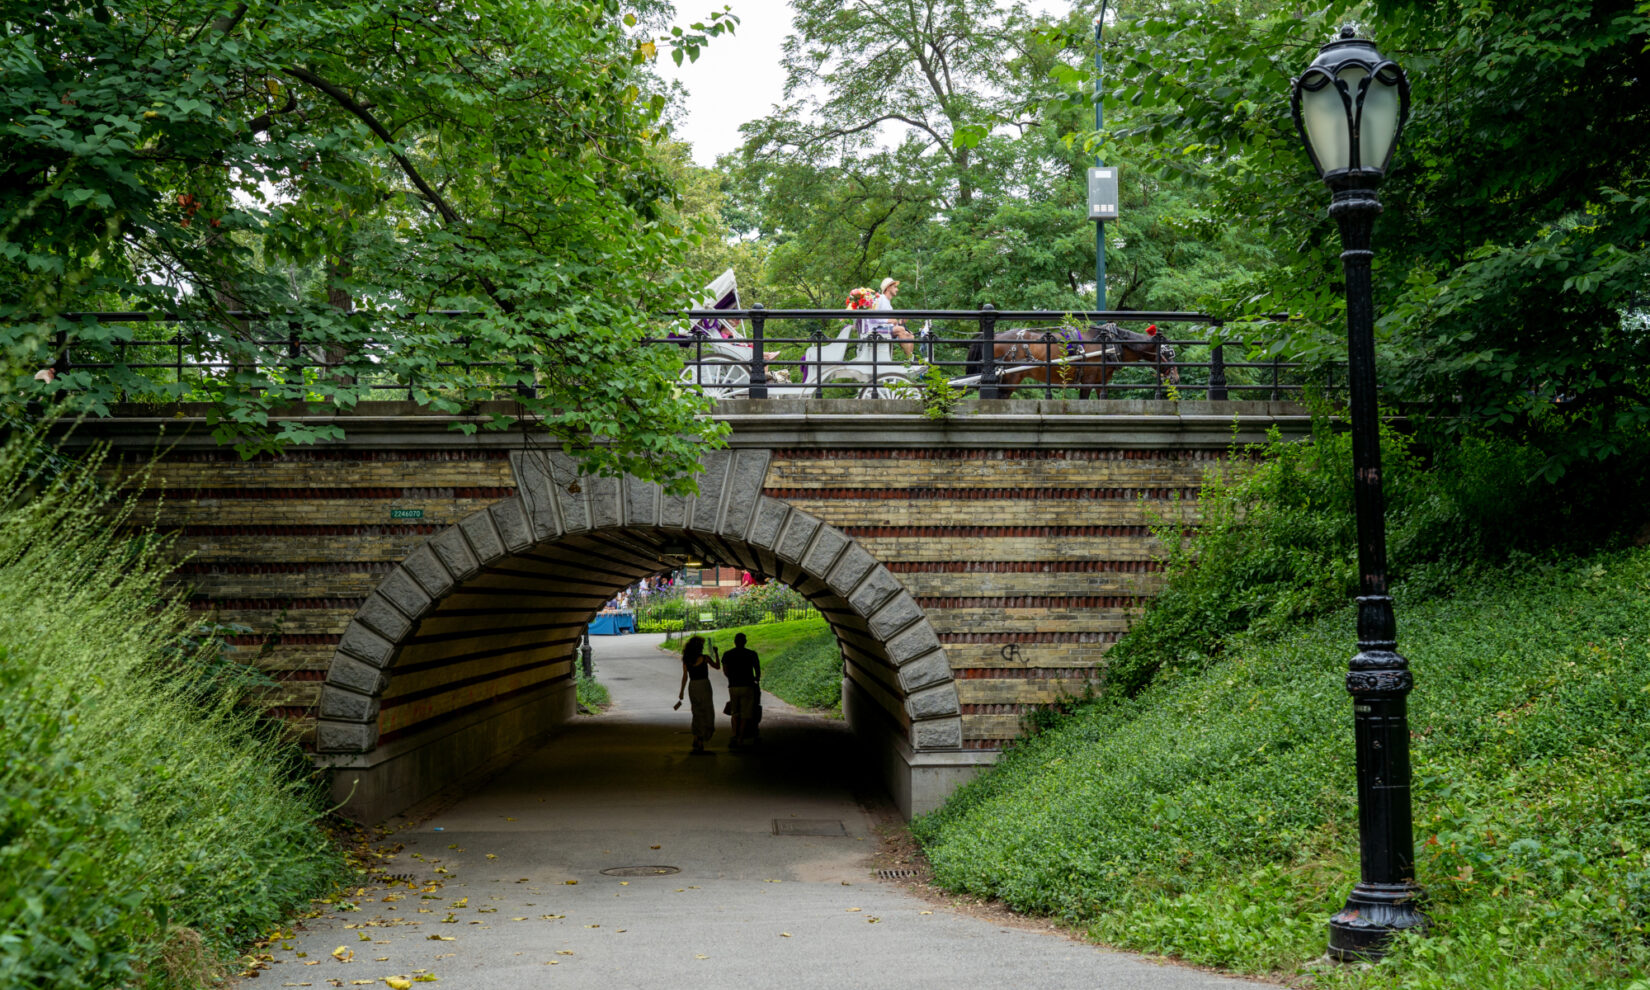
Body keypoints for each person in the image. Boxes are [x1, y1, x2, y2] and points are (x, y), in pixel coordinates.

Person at [675, 635, 721, 754]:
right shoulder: (705, 658)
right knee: (707, 712)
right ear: (699, 647)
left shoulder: (686, 659)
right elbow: (717, 666)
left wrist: (681, 692)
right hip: (704, 686)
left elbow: (685, 677)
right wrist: (716, 653)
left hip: (693, 686)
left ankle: (696, 736)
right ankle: (702, 738)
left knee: (696, 712)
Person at [720, 632, 762, 749]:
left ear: (734, 642)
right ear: (745, 642)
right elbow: (757, 672)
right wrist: (755, 679)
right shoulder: (752, 654)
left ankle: (734, 735)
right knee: (745, 713)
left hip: (733, 686)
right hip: (748, 686)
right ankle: (740, 738)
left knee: (735, 712)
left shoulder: (727, 654)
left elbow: (725, 671)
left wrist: (732, 678)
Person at [871, 277, 915, 360]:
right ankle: (911, 359)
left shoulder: (889, 304)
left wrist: (900, 322)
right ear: (888, 288)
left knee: (910, 335)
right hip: (877, 329)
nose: (897, 289)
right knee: (901, 330)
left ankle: (910, 361)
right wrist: (890, 320)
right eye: (895, 287)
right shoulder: (880, 299)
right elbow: (873, 318)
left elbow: (892, 323)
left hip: (885, 328)